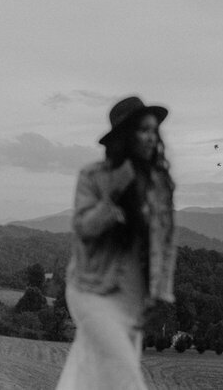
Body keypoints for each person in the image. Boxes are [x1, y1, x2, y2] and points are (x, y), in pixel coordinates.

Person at [56, 96, 177, 390]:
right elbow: (83, 227)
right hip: (92, 290)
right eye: (142, 130)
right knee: (126, 381)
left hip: (133, 298)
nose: (151, 138)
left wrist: (160, 293)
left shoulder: (159, 182)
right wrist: (114, 193)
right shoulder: (94, 176)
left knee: (90, 379)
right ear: (125, 135)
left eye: (154, 130)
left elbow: (166, 241)